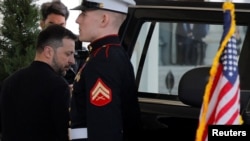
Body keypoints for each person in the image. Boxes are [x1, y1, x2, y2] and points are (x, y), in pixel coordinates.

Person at [69, 0, 142, 141]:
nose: (78, 20)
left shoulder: (103, 60)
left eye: (83, 14)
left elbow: (104, 128)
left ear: (103, 20)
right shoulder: (111, 54)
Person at [0, 25, 77, 141]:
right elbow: (64, 133)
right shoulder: (58, 86)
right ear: (48, 52)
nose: (72, 61)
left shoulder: (9, 82)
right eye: (68, 54)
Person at [40, 1, 88, 84]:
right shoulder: (29, 47)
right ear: (42, 24)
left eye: (61, 25)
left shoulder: (78, 50)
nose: (57, 30)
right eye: (52, 24)